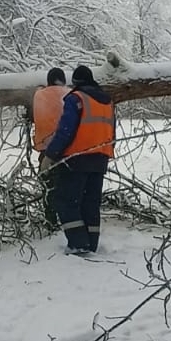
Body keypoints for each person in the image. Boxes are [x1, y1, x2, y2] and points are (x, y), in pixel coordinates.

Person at [43, 65, 115, 256]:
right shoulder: (107, 102)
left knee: (66, 201)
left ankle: (78, 244)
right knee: (90, 203)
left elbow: (65, 131)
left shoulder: (76, 99)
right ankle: (91, 244)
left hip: (77, 158)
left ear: (75, 83)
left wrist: (51, 154)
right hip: (101, 158)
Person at [32, 67, 68, 230]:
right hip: (67, 148)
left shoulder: (39, 95)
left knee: (49, 189)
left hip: (46, 149)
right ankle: (68, 220)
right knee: (67, 187)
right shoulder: (69, 94)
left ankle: (51, 222)